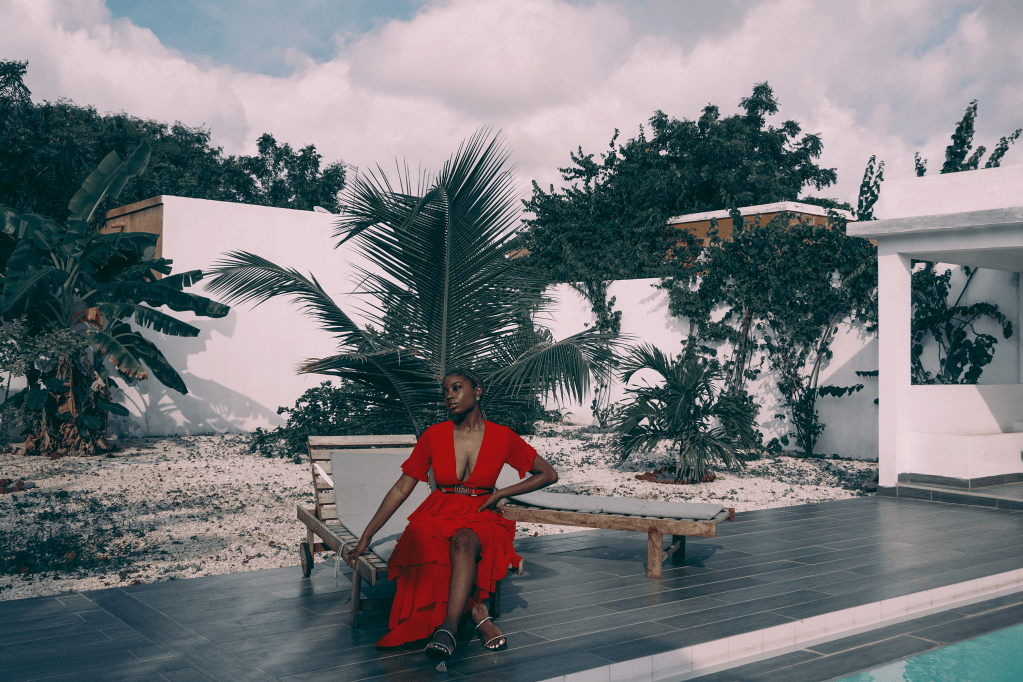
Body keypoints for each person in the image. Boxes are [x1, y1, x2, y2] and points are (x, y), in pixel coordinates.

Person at [345, 369, 559, 661]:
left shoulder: (502, 436)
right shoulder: (434, 436)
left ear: (477, 390)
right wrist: (365, 538)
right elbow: (400, 489)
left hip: (480, 513)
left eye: (456, 388)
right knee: (422, 541)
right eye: (444, 391)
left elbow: (548, 474)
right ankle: (479, 615)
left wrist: (500, 493)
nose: (448, 396)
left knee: (464, 543)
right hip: (437, 512)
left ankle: (447, 629)